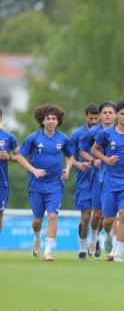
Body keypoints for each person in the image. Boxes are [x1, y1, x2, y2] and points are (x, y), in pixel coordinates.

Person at [16, 104, 74, 261]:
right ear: (42, 120)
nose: (50, 121)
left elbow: (70, 156)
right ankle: (37, 237)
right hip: (36, 185)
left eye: (53, 118)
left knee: (52, 216)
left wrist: (68, 169)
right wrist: (33, 169)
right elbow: (19, 156)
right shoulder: (33, 138)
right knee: (38, 220)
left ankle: (48, 252)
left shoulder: (63, 139)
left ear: (58, 121)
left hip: (55, 184)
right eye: (47, 118)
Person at [91, 100, 124, 262]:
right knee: (108, 220)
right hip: (109, 180)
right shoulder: (106, 134)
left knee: (123, 214)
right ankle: (108, 235)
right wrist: (106, 159)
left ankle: (118, 252)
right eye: (122, 114)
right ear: (117, 116)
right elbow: (94, 150)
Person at [79, 101, 117, 257]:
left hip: (117, 177)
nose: (107, 115)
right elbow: (82, 151)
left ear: (115, 115)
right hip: (97, 177)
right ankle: (94, 238)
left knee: (113, 214)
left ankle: (111, 241)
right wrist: (93, 160)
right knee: (98, 214)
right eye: (105, 112)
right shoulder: (93, 132)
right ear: (100, 115)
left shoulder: (122, 131)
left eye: (110, 112)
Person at [69, 104, 100, 259]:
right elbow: (69, 157)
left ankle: (95, 239)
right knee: (86, 215)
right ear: (85, 117)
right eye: (91, 118)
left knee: (99, 214)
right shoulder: (77, 134)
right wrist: (77, 164)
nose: (94, 121)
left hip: (100, 178)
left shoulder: (104, 133)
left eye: (96, 118)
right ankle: (82, 249)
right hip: (83, 178)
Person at [0, 107, 20, 234]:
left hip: (1, 182)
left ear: (1, 118)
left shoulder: (8, 136)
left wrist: (9, 157)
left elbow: (21, 156)